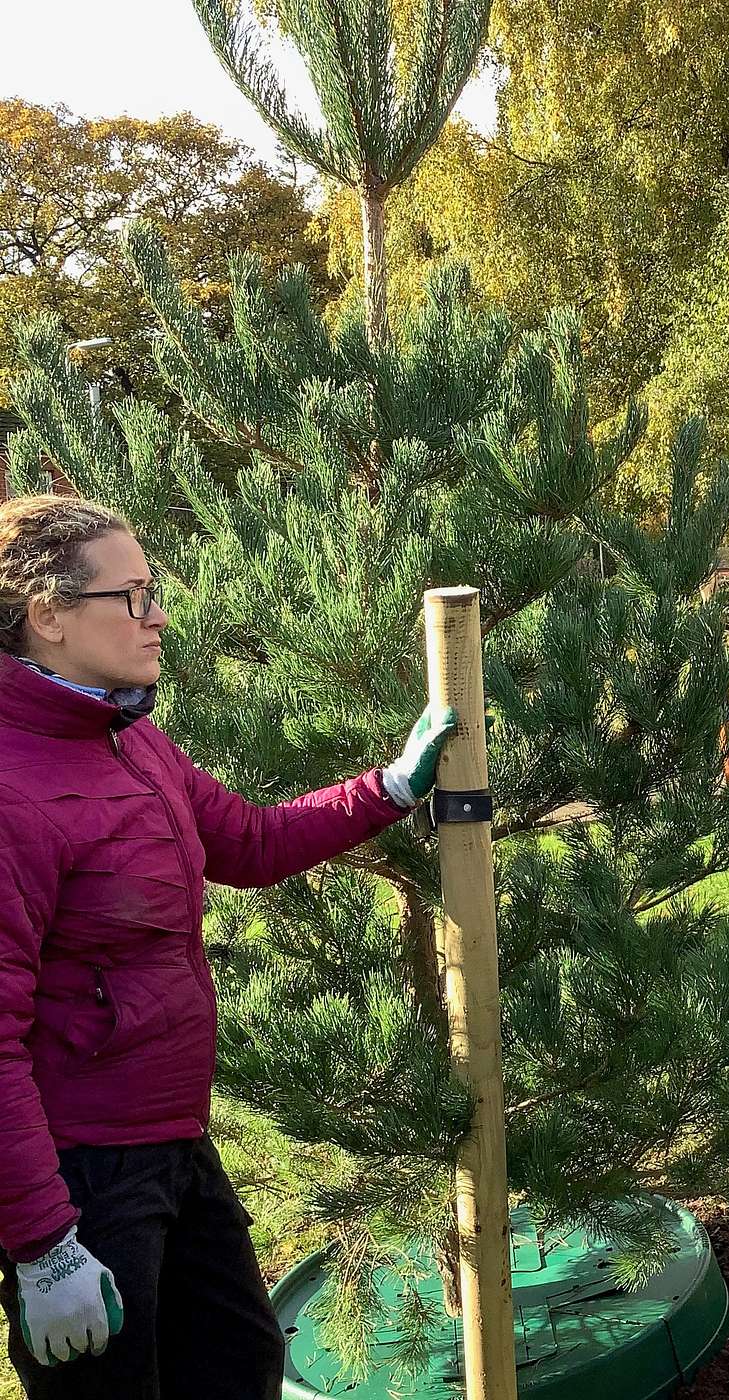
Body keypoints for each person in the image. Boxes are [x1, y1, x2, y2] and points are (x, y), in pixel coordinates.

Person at [0, 495, 456, 1398]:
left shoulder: (130, 740)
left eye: (154, 589)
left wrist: (390, 787)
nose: (160, 615)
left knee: (240, 1362)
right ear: (48, 617)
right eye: (132, 596)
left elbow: (245, 842)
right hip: (81, 1175)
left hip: (174, 1143)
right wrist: (45, 1247)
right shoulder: (15, 787)